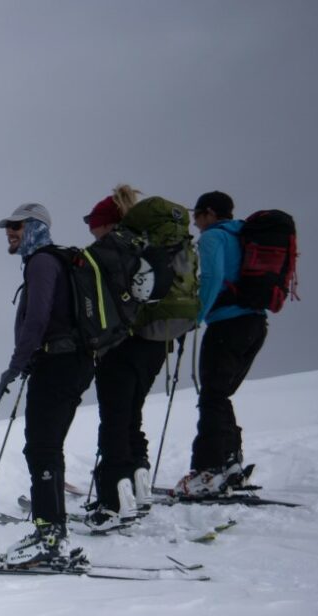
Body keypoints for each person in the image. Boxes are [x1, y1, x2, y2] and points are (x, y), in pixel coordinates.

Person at [85, 186, 201, 520]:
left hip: (125, 341)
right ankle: (139, 486)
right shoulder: (158, 244)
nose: (92, 230)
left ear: (108, 222)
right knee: (131, 414)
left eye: (94, 223)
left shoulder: (116, 248)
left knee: (115, 419)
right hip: (159, 340)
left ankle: (113, 501)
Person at [0, 202, 93, 563]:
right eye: (9, 226)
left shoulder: (41, 262)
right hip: (71, 362)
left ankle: (48, 536)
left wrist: (17, 363)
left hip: (58, 363)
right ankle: (53, 532)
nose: (10, 232)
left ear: (36, 227)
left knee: (41, 448)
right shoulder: (55, 261)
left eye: (17, 226)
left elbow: (37, 318)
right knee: (47, 447)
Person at [177, 190, 268, 496]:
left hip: (227, 324)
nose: (195, 222)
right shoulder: (244, 235)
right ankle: (231, 467)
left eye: (197, 215)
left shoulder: (213, 237)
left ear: (211, 213)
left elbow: (212, 278)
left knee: (212, 396)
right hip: (255, 324)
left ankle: (209, 471)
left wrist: (195, 316)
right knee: (220, 395)